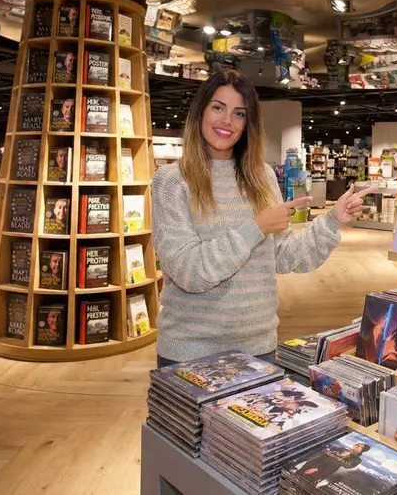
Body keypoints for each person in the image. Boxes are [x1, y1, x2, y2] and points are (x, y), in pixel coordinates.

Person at [151, 69, 375, 367]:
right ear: (200, 112)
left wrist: (332, 220)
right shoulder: (171, 181)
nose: (227, 121)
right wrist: (256, 228)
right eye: (218, 107)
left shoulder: (262, 177)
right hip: (190, 351)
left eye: (239, 113)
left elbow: (283, 256)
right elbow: (190, 272)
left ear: (248, 124)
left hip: (258, 347)